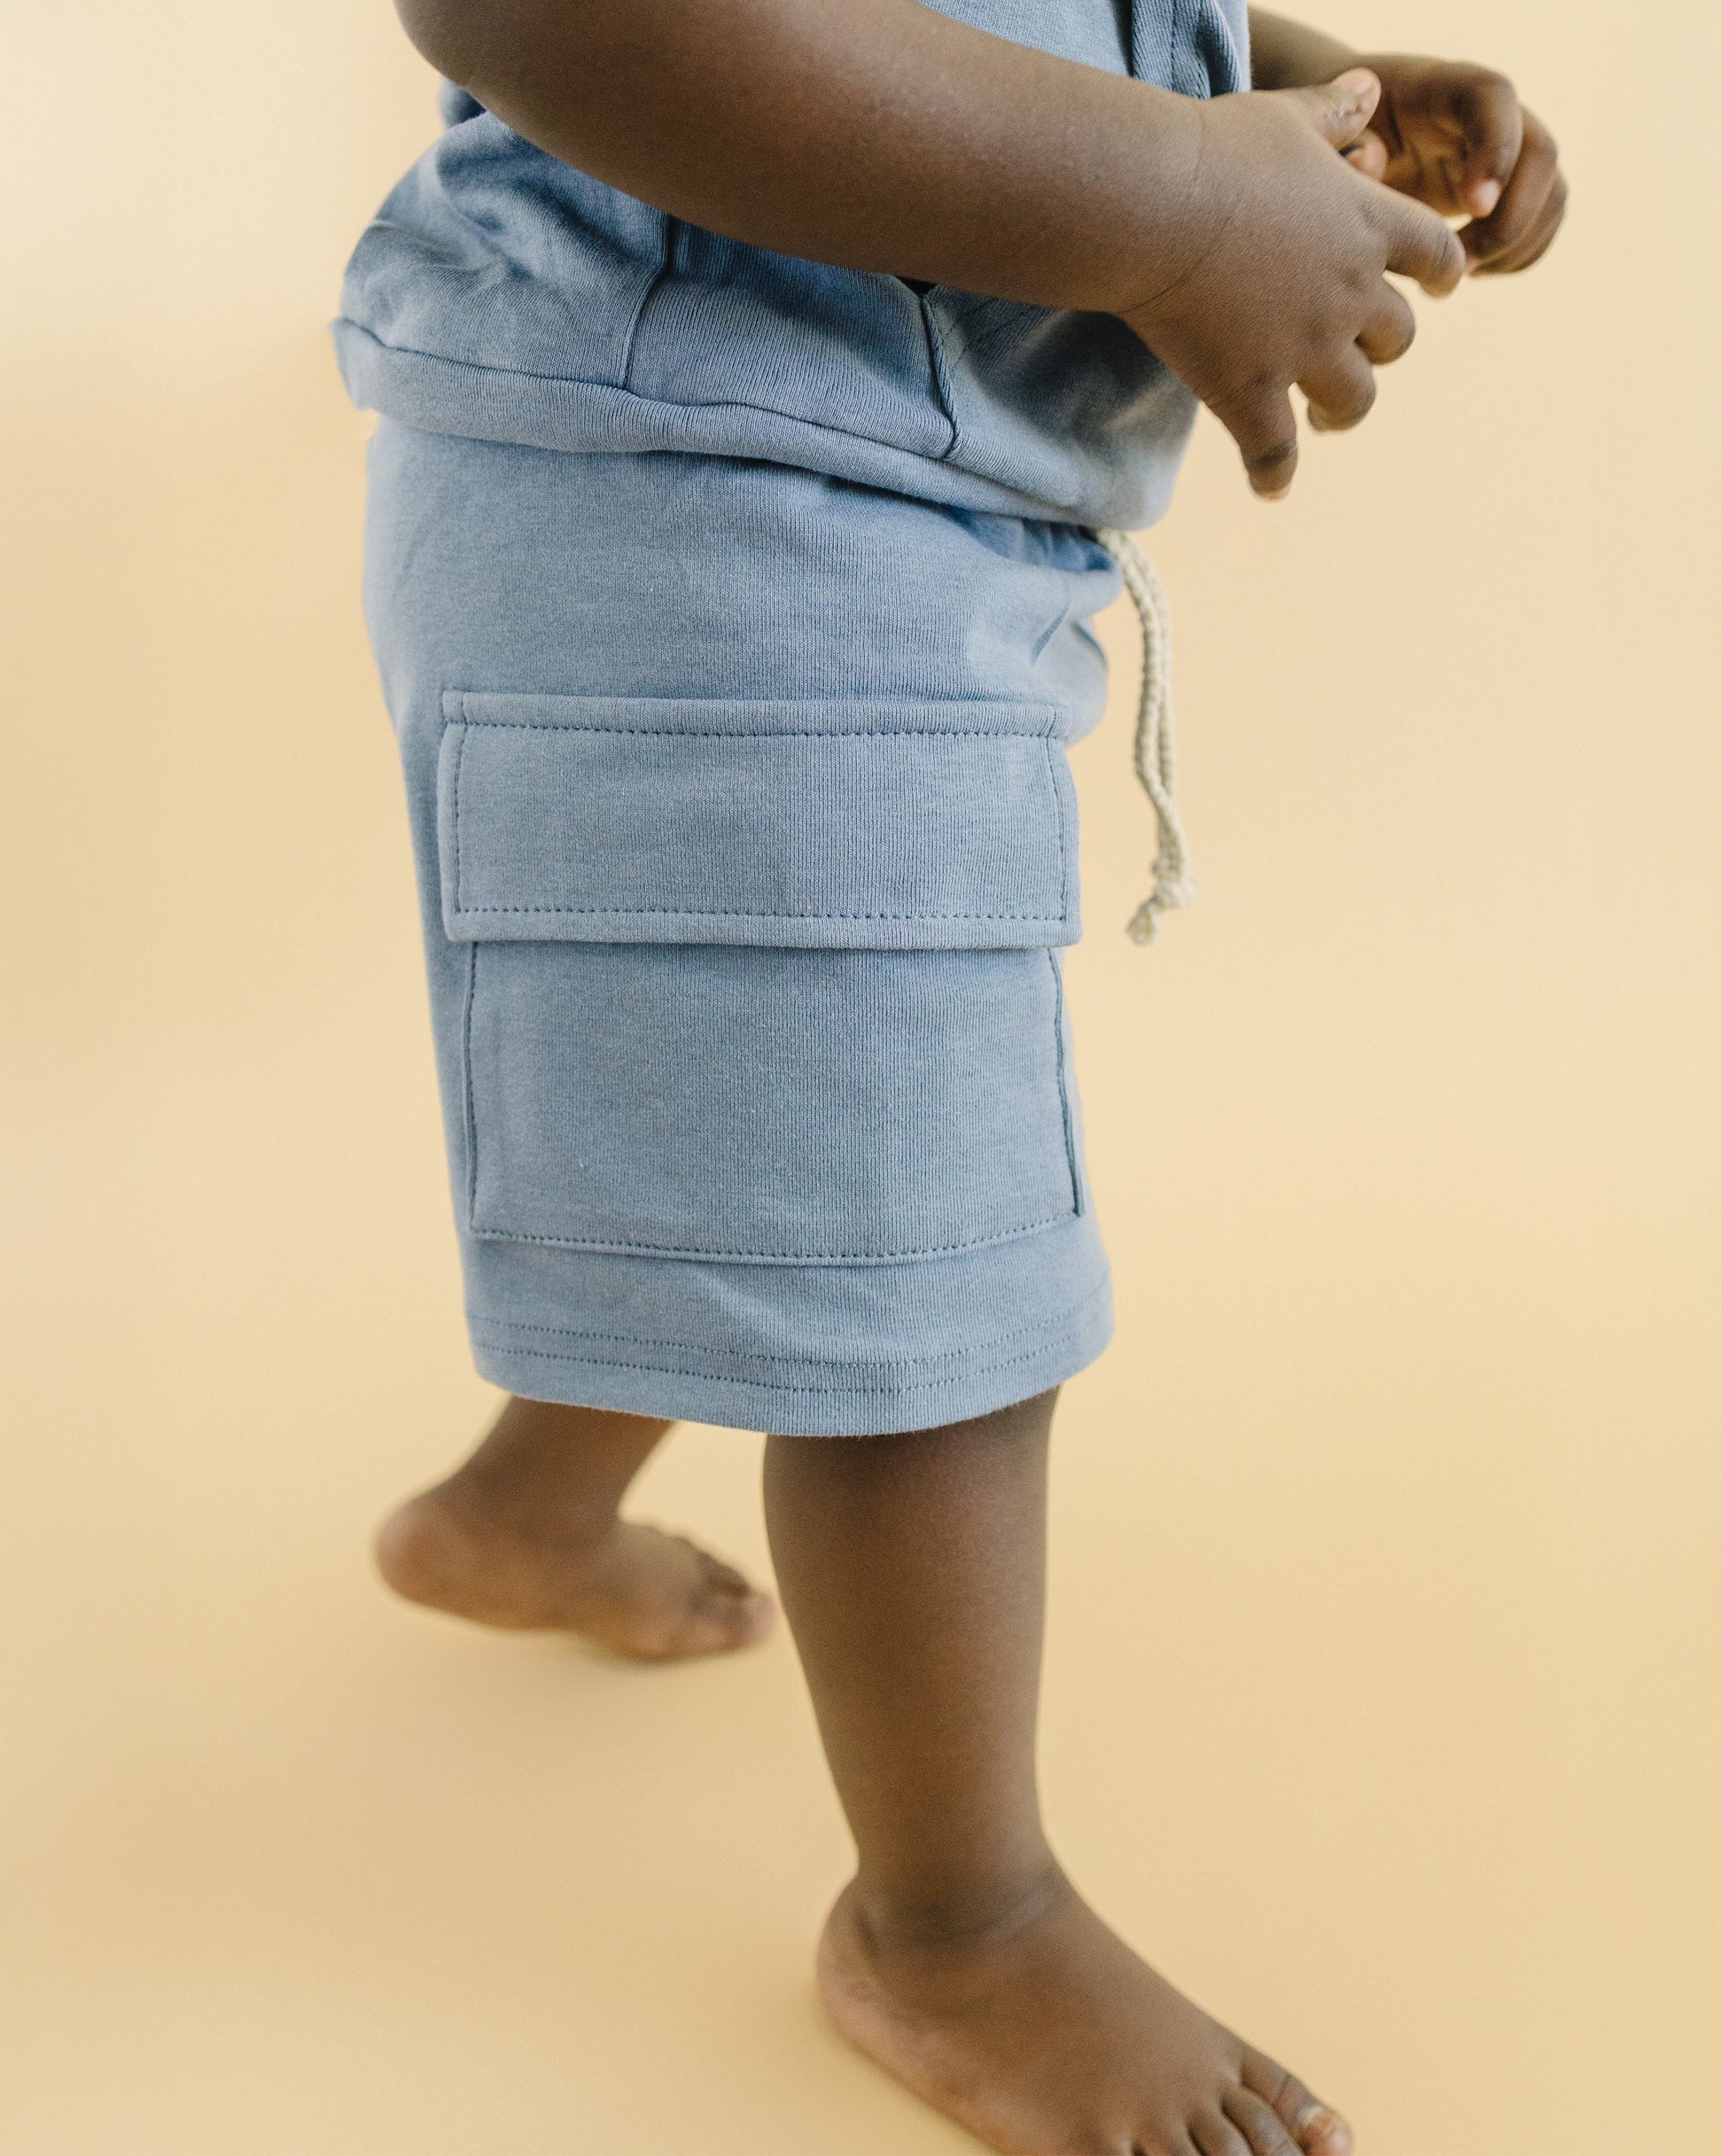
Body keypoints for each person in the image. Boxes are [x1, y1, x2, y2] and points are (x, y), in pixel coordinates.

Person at [335, 5, 1564, 2150]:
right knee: (921, 1268)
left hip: (861, 507)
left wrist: (1271, 79)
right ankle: (956, 1925)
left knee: (779, 1144)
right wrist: (1176, 201)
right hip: (708, 521)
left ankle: (521, 1510)